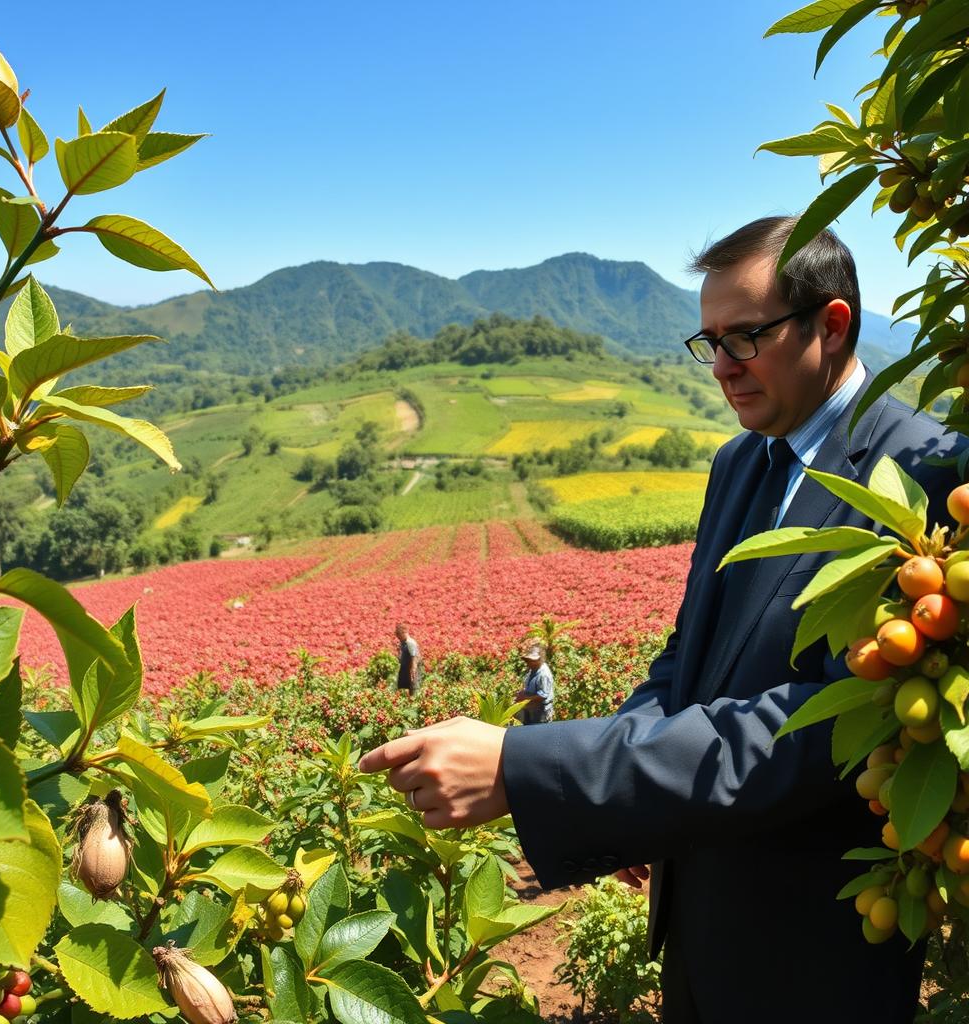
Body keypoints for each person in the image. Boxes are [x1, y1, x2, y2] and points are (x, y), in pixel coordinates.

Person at [360, 217, 965, 1023]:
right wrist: (629, 809)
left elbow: (822, 729)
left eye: (744, 339)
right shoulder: (741, 461)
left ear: (832, 324)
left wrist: (531, 769)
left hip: (816, 954)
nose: (720, 368)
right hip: (699, 926)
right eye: (708, 341)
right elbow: (688, 657)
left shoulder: (926, 478)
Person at [514, 641, 554, 724]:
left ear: (540, 660)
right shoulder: (533, 670)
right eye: (528, 660)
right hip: (531, 709)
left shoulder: (543, 674)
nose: (528, 663)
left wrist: (525, 699)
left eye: (532, 660)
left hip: (541, 712)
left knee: (538, 733)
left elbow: (543, 695)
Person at [395, 622, 422, 693]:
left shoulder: (410, 643)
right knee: (405, 687)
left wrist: (413, 670)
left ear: (403, 633)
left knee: (413, 686)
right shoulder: (403, 642)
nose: (398, 638)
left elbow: (414, 657)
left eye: (399, 635)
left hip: (411, 668)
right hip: (406, 668)